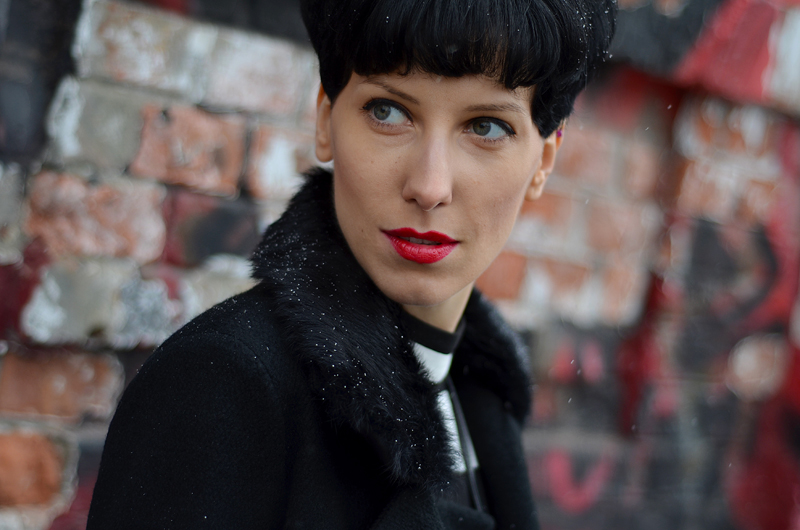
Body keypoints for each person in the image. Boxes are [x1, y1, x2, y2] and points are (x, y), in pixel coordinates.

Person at [87, 0, 615, 528]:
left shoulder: (481, 397)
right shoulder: (225, 383)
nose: (429, 186)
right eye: (389, 112)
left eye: (486, 126)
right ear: (325, 119)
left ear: (543, 162)